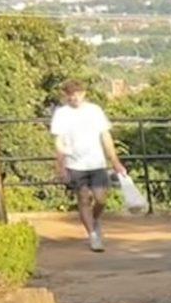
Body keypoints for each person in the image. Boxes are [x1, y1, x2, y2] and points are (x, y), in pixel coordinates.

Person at [48, 79, 125, 254]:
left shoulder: (94, 111)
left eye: (77, 93)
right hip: (75, 163)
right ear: (66, 96)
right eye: (70, 94)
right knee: (83, 198)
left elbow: (105, 136)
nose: (74, 97)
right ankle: (92, 235)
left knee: (101, 198)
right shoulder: (62, 114)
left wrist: (115, 161)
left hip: (96, 162)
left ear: (83, 94)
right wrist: (60, 166)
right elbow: (59, 142)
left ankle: (95, 219)